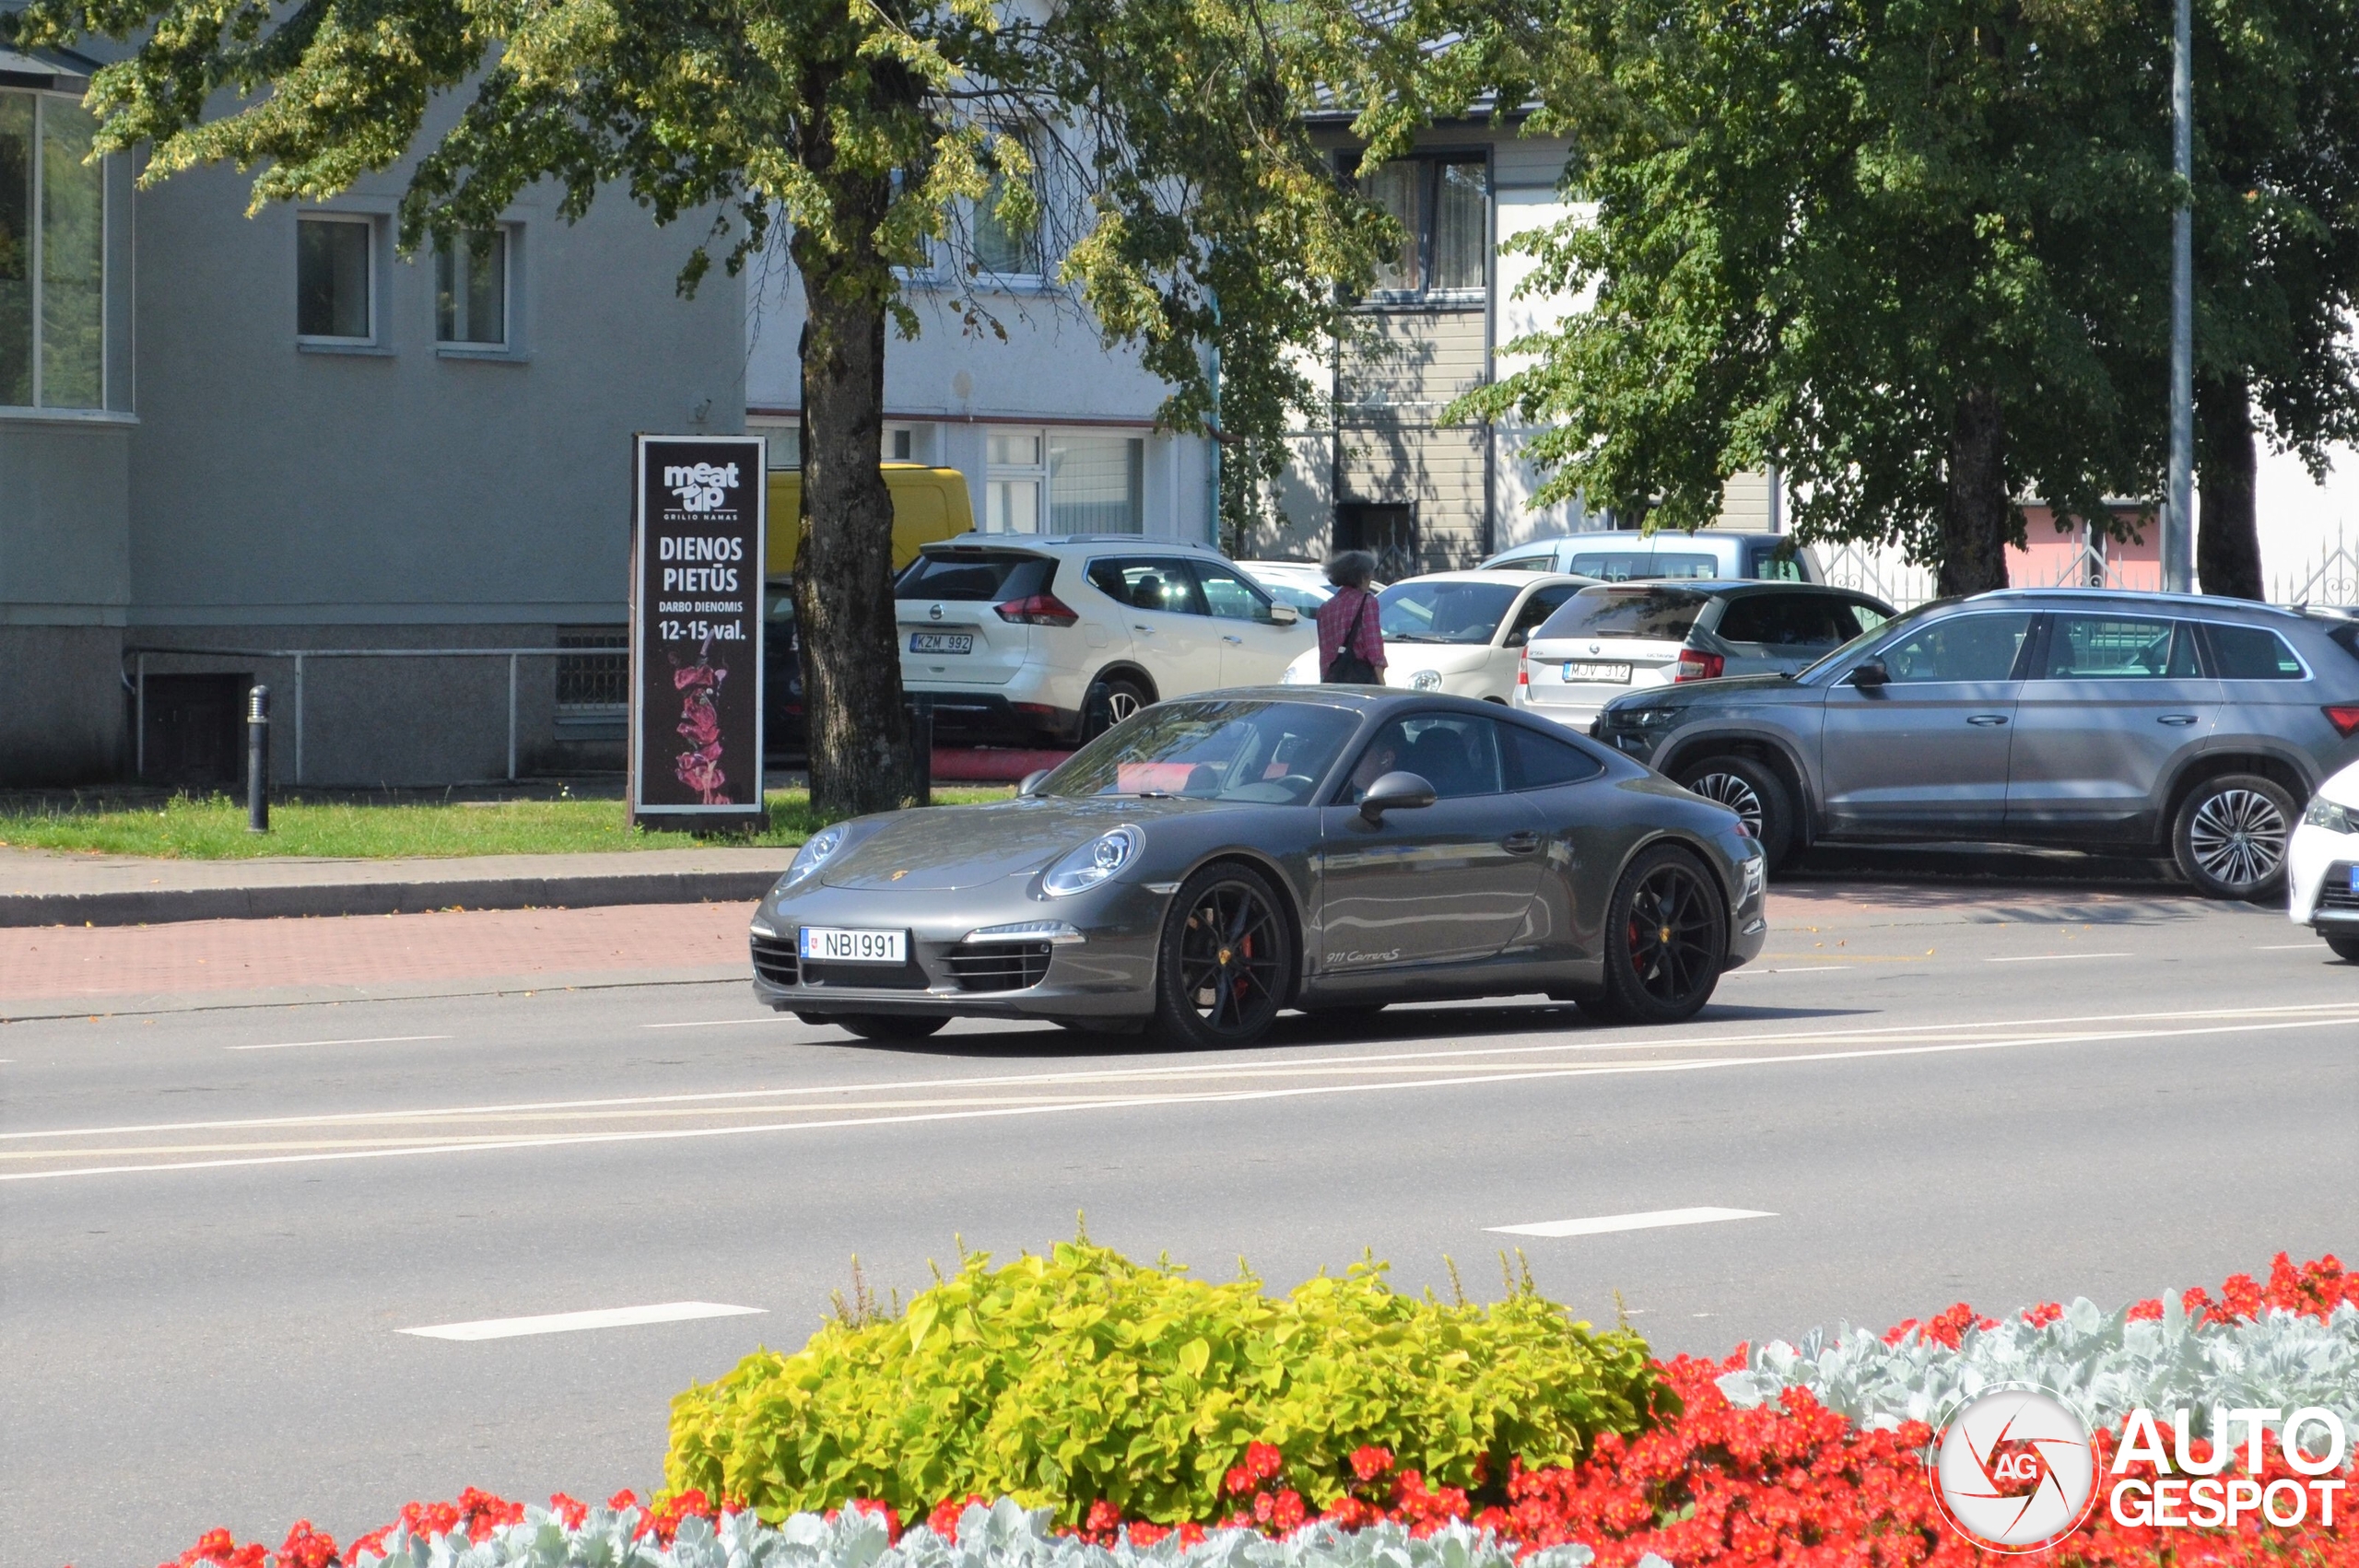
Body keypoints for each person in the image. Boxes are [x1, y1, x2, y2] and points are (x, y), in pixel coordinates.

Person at [1317, 550, 1386, 684]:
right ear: (1362, 576)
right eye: (1370, 574)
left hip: (1332, 681)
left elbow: (1325, 653)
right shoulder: (1367, 602)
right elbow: (1374, 649)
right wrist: (1382, 685)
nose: (1372, 578)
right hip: (1360, 682)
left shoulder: (1325, 608)